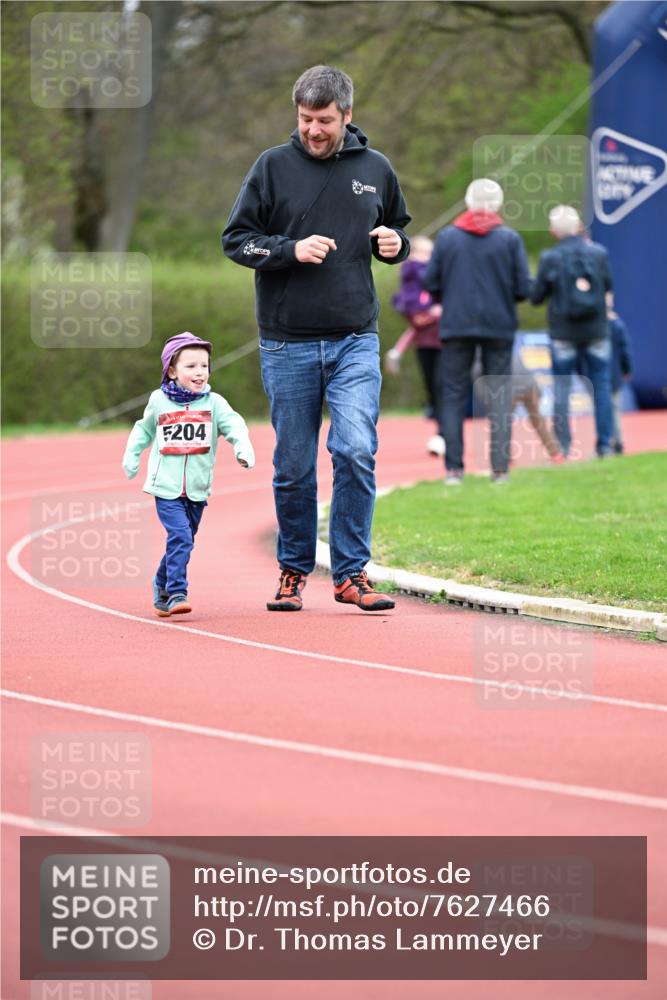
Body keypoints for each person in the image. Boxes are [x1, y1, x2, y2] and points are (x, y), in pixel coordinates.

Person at [222, 65, 410, 612]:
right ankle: (292, 569)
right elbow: (236, 240)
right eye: (306, 120)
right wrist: (288, 250)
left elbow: (397, 227)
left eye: (325, 120)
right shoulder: (271, 167)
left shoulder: (376, 168)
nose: (314, 130)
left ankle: (351, 573)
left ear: (347, 116)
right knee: (294, 466)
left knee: (355, 450)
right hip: (288, 343)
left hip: (355, 337)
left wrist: (394, 242)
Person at [122, 332, 255, 617]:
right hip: (165, 489)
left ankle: (161, 583)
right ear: (172, 370)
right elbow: (143, 429)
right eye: (191, 366)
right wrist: (132, 457)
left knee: (184, 540)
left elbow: (234, 425)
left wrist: (242, 448)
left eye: (204, 366)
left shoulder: (214, 403)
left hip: (197, 489)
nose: (199, 372)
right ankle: (177, 592)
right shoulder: (159, 401)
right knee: (180, 536)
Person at [423, 178, 532, 484]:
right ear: (497, 205)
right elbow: (523, 287)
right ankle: (499, 470)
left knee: (453, 394)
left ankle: (454, 470)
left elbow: (430, 283)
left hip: (456, 325)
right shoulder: (509, 239)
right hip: (499, 325)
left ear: (468, 203)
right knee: (499, 395)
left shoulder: (447, 238)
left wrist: (450, 296)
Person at [531, 205, 614, 458]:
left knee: (562, 390)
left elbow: (536, 297)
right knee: (601, 387)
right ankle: (604, 446)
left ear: (554, 231)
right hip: (597, 329)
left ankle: (564, 447)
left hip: (563, 332)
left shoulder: (550, 258)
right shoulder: (598, 253)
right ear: (579, 226)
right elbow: (608, 285)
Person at [385, 234, 445, 456]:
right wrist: (429, 314)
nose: (428, 258)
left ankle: (443, 434)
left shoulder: (440, 275)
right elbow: (416, 321)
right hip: (426, 341)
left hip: (445, 341)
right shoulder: (412, 278)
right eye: (424, 253)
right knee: (433, 389)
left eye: (431, 253)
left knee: (443, 389)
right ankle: (441, 432)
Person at [579, 292, 633, 454]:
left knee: (602, 408)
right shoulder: (617, 325)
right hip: (612, 374)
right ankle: (616, 441)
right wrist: (626, 369)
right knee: (613, 408)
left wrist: (582, 372)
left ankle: (606, 442)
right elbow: (625, 351)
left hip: (597, 374)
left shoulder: (590, 325)